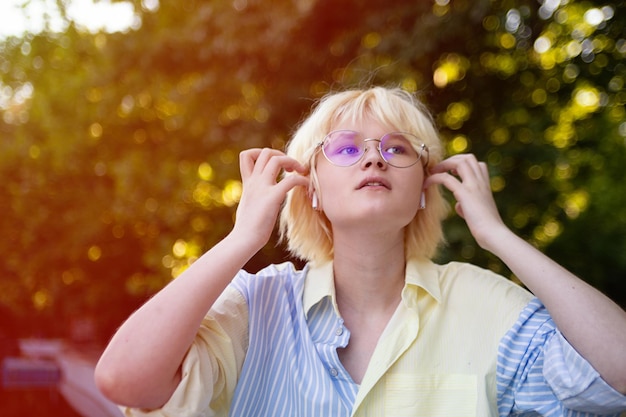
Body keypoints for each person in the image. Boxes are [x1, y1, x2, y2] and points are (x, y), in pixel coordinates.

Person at [95, 86, 626, 416]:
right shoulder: (255, 305)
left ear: (423, 189)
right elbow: (126, 381)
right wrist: (242, 240)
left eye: (396, 149)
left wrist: (499, 237)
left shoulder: (484, 304)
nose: (374, 158)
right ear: (313, 189)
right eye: (346, 148)